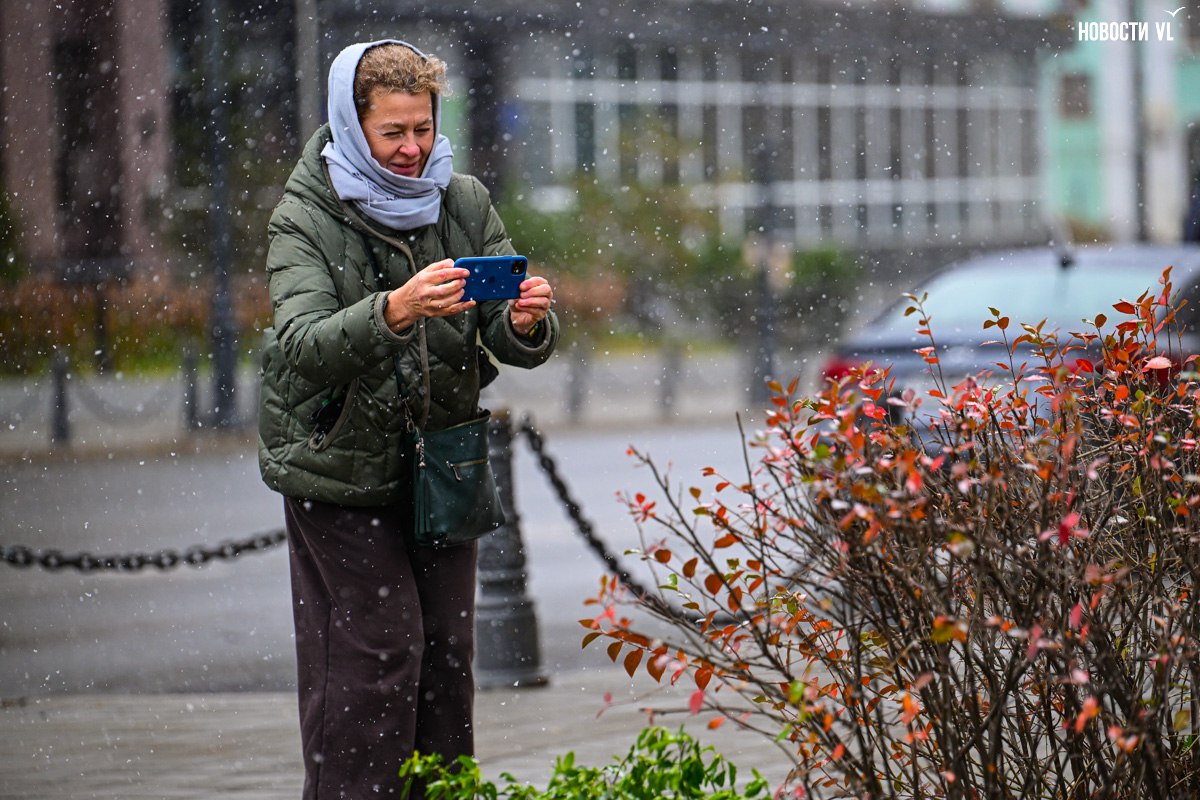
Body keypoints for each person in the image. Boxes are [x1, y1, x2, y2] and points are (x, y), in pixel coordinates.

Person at [257, 39, 559, 799]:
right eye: (392, 132)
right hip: (338, 468)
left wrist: (523, 323)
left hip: (442, 465)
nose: (412, 148)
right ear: (352, 126)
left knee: (449, 655)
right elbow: (301, 347)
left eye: (422, 128)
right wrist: (392, 311)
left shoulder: (463, 200)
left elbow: (498, 329)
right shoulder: (305, 215)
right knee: (377, 652)